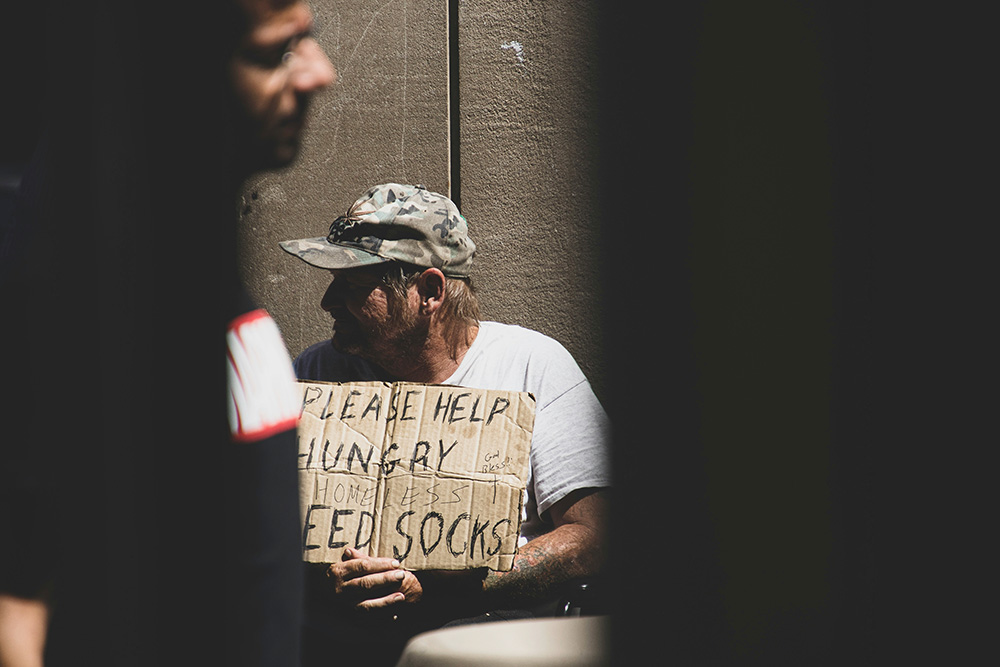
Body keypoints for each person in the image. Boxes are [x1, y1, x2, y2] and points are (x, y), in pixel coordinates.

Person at [0, 1, 335, 665]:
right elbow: (18, 605)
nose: (319, 74)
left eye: (309, 41)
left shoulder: (189, 281)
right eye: (276, 53)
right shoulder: (62, 295)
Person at [279, 182, 612, 665]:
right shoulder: (316, 373)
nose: (328, 301)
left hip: (482, 637)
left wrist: (438, 583)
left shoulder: (531, 367)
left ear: (429, 291)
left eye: (352, 285)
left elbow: (595, 535)